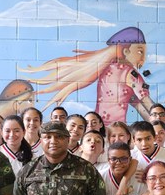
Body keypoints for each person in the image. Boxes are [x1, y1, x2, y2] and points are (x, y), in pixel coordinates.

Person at [21, 27, 154, 125]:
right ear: (126, 51)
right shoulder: (132, 74)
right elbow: (148, 105)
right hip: (118, 130)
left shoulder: (106, 70)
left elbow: (138, 105)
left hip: (98, 128)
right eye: (140, 51)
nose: (143, 58)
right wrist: (159, 123)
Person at [130, 121, 165, 195]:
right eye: (139, 140)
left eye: (148, 138)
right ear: (134, 141)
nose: (144, 144)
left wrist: (148, 178)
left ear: (154, 138)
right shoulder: (130, 156)